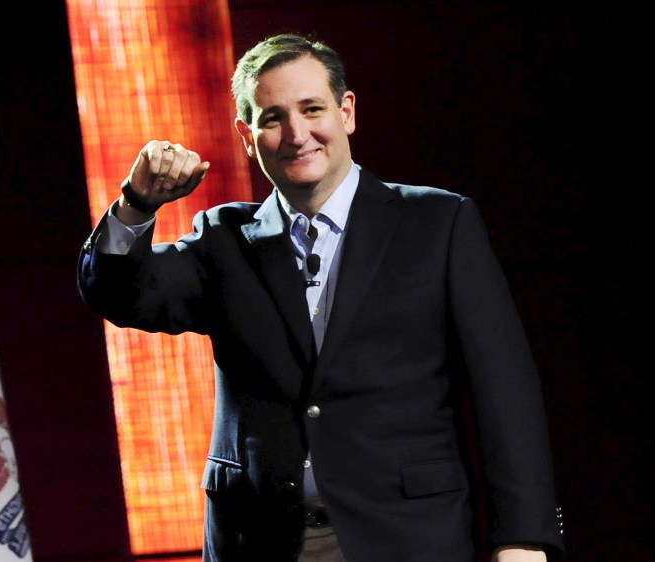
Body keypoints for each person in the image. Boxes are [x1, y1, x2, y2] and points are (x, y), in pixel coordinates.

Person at [78, 33, 565, 562]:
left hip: (407, 536)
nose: (296, 134)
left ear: (346, 111)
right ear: (247, 136)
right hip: (261, 541)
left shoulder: (438, 224)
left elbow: (505, 391)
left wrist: (524, 538)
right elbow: (117, 296)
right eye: (272, 118)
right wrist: (137, 203)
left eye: (312, 109)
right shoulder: (222, 240)